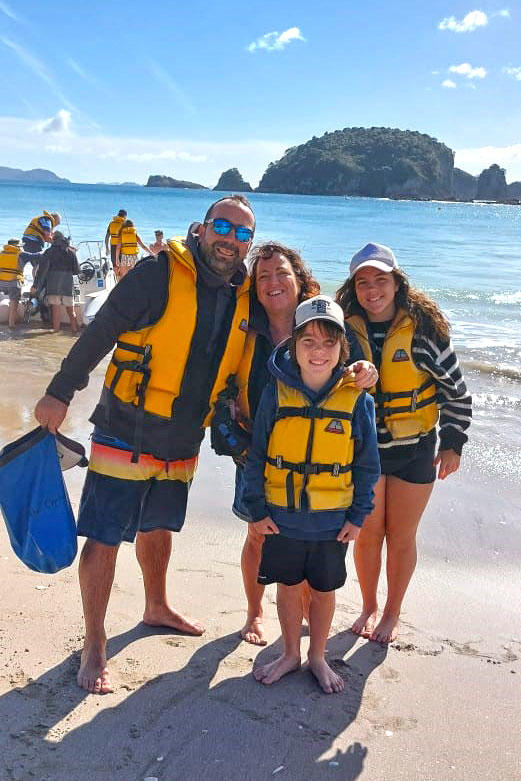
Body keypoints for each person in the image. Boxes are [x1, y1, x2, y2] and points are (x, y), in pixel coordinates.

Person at [33, 195, 256, 694]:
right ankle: (95, 643)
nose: (231, 239)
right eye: (223, 226)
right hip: (125, 426)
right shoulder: (156, 275)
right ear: (201, 228)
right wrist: (58, 392)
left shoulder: (242, 294)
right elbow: (102, 331)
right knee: (106, 535)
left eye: (243, 233)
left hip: (183, 435)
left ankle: (156, 605)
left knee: (159, 527)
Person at [228, 242, 378, 646]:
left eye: (282, 274)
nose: (273, 283)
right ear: (255, 286)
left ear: (299, 279)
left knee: (312, 541)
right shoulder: (245, 325)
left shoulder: (323, 324)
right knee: (258, 535)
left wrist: (368, 372)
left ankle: (306, 620)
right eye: (263, 276)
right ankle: (255, 611)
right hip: (258, 449)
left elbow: (355, 369)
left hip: (319, 454)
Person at [336, 242, 472, 644]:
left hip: (414, 450)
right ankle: (367, 605)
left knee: (401, 535)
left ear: (397, 283)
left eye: (381, 280)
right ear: (353, 287)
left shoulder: (424, 333)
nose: (372, 290)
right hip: (365, 452)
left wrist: (453, 443)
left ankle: (392, 611)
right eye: (363, 282)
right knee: (368, 532)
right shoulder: (344, 330)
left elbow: (458, 393)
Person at [32, 231, 81, 333]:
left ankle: (56, 331)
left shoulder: (49, 252)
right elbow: (77, 271)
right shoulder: (70, 252)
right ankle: (75, 330)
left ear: (54, 239)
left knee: (56, 309)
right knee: (71, 310)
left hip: (54, 284)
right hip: (67, 283)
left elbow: (41, 271)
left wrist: (35, 285)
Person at [0, 238, 42, 329]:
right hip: (14, 282)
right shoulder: (21, 254)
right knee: (14, 305)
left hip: (1, 282)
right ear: (18, 246)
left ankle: (16, 320)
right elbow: (37, 256)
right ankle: (12, 326)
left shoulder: (1, 253)